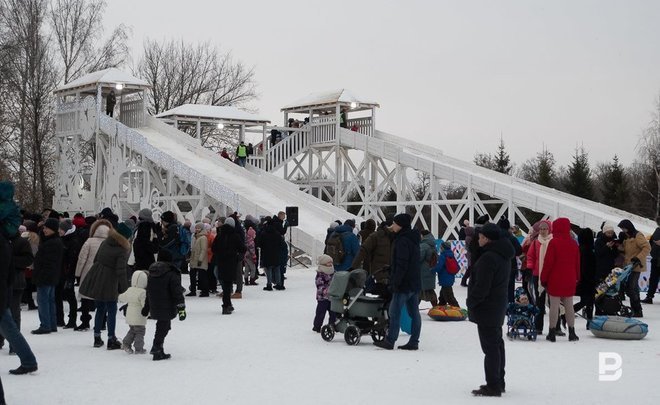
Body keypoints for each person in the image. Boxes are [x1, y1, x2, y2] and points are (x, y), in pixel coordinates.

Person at [466, 223, 514, 397]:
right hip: (497, 304)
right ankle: (498, 381)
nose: (478, 240)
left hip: (487, 307)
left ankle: (493, 384)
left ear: (486, 238)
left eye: (480, 237)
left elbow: (482, 287)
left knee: (491, 348)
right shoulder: (503, 255)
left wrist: (471, 302)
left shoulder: (489, 258)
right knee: (497, 344)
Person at [79, 222, 132, 349]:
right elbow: (121, 271)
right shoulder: (122, 249)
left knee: (100, 309)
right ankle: (111, 339)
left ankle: (97, 338)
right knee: (112, 310)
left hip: (98, 276)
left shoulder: (105, 243)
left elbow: (96, 259)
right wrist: (125, 289)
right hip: (110, 280)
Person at [373, 213, 421, 351]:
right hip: (414, 282)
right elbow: (409, 262)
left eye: (394, 223)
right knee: (414, 313)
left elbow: (402, 264)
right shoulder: (413, 238)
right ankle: (414, 341)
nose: (392, 226)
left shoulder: (402, 241)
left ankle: (390, 340)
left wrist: (395, 282)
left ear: (400, 225)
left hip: (404, 284)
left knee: (394, 312)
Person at [540, 218, 580, 342]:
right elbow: (577, 263)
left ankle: (552, 332)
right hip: (570, 278)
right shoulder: (574, 243)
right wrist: (577, 277)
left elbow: (548, 263)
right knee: (569, 305)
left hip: (555, 278)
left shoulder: (554, 243)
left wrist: (543, 278)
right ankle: (572, 332)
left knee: (554, 306)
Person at [144, 251, 186, 360]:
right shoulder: (172, 274)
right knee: (163, 327)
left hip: (155, 304)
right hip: (167, 305)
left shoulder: (152, 274)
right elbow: (177, 292)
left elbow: (148, 291)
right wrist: (181, 308)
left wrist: (146, 307)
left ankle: (158, 348)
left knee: (163, 326)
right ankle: (157, 347)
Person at [74, 219, 111, 331]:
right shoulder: (111, 242)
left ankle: (85, 321)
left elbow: (82, 258)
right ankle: (103, 321)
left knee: (85, 297)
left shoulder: (89, 241)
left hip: (88, 272)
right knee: (102, 297)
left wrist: (78, 273)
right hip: (104, 272)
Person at [31, 218, 64, 335]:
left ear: (53, 229)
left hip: (45, 276)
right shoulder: (56, 241)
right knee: (50, 301)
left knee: (43, 301)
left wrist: (39, 275)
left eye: (46, 228)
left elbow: (46, 262)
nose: (44, 230)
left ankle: (45, 325)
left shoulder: (50, 243)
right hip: (52, 276)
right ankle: (51, 324)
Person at [617, 219, 651, 317]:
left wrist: (638, 258)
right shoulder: (627, 237)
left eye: (624, 228)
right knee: (634, 289)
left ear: (629, 227)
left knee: (630, 288)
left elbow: (647, 247)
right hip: (628, 266)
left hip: (636, 265)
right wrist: (618, 245)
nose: (623, 230)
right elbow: (625, 249)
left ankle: (637, 309)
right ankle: (637, 310)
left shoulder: (637, 235)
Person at [212, 217, 246, 314]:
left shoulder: (219, 235)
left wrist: (220, 254)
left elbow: (214, 248)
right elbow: (242, 248)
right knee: (228, 284)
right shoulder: (235, 235)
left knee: (225, 284)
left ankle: (228, 304)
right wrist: (237, 255)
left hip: (221, 261)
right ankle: (226, 305)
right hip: (231, 262)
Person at [525, 220, 553, 334]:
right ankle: (538, 326)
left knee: (553, 303)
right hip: (538, 274)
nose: (542, 231)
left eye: (545, 229)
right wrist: (529, 267)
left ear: (549, 230)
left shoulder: (553, 242)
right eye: (541, 229)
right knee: (539, 302)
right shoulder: (536, 242)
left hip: (550, 275)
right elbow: (530, 256)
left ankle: (555, 326)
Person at [118, 270, 148, 354]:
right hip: (139, 317)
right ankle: (139, 348)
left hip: (130, 315)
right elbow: (144, 305)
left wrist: (118, 296)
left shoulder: (129, 290)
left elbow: (122, 297)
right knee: (140, 332)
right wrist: (148, 313)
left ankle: (126, 344)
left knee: (132, 330)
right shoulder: (143, 292)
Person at [57, 220, 80, 329]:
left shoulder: (73, 241)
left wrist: (69, 273)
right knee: (59, 295)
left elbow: (72, 259)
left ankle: (72, 320)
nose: (59, 231)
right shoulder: (63, 240)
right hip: (62, 271)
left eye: (61, 229)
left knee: (70, 296)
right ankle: (60, 319)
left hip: (68, 272)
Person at [574, 228, 596, 327]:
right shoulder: (589, 251)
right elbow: (588, 267)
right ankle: (589, 320)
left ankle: (589, 321)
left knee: (585, 300)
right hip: (588, 279)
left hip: (581, 278)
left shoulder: (579, 249)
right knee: (589, 301)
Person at [312, 254, 336, 332]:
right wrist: (326, 289)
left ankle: (332, 325)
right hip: (322, 297)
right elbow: (319, 284)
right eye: (328, 263)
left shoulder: (333, 272)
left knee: (333, 312)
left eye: (331, 262)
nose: (330, 264)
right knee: (320, 313)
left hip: (332, 297)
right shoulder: (321, 274)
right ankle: (317, 326)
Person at [187, 223, 209, 297]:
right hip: (194, 259)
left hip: (200, 260)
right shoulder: (195, 237)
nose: (197, 229)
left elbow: (203, 249)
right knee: (192, 275)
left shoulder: (203, 238)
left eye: (198, 228)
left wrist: (200, 259)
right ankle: (193, 290)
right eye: (196, 228)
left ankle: (205, 291)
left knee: (202, 277)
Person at [434, 242, 460, 307]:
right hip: (450, 278)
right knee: (443, 294)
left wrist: (431, 270)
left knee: (449, 296)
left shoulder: (443, 256)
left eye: (440, 247)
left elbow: (438, 267)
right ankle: (441, 305)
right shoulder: (451, 255)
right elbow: (457, 267)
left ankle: (457, 308)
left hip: (444, 278)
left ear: (442, 248)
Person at [642, 216, 660, 304]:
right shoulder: (657, 230)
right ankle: (649, 296)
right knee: (653, 278)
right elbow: (651, 241)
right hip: (656, 258)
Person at [419, 230, 438, 307]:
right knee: (428, 290)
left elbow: (419, 257)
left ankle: (412, 310)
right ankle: (435, 306)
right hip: (429, 269)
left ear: (423, 235)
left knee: (420, 290)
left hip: (423, 271)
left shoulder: (424, 245)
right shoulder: (432, 244)